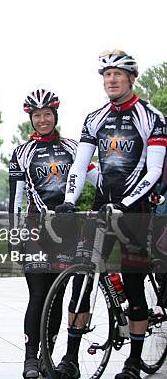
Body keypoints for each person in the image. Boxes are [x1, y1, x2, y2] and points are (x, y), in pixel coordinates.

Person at [55, 50, 166, 379]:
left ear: (132, 78)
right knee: (81, 282)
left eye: (118, 74)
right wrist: (69, 200)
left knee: (132, 284)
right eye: (106, 75)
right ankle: (71, 359)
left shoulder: (152, 117)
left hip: (136, 210)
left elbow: (155, 170)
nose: (112, 80)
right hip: (103, 208)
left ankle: (133, 361)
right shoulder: (95, 118)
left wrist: (126, 202)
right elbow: (79, 163)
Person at [9, 89, 98, 378]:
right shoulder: (22, 152)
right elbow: (16, 199)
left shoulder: (74, 147)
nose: (43, 119)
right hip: (35, 231)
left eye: (47, 114)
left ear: (55, 116)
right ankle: (30, 360)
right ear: (30, 119)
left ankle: (47, 355)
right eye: (37, 115)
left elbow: (96, 178)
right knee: (38, 296)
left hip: (68, 231)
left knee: (56, 297)